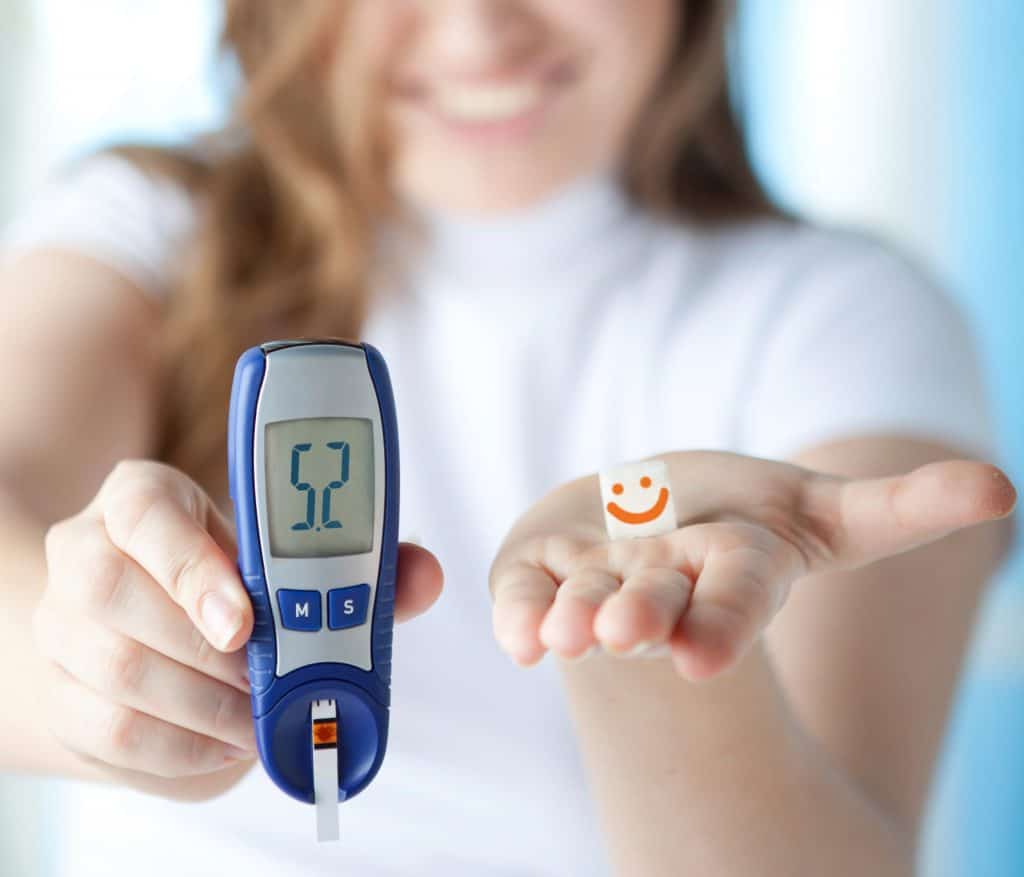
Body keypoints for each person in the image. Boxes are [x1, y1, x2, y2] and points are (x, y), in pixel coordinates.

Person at [0, 1, 1016, 874]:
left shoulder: (848, 315)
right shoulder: (145, 225)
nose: (479, 30)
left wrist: (636, 637)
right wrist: (86, 664)